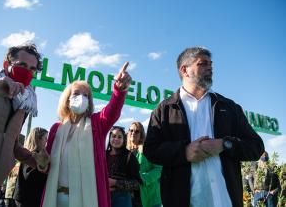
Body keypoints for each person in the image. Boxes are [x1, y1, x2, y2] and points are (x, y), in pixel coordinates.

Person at [143, 46, 265, 207]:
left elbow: (256, 147)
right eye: (203, 63)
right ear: (184, 70)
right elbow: (151, 150)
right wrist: (184, 152)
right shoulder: (164, 110)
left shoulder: (229, 107)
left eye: (211, 64)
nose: (210, 67)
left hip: (226, 202)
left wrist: (224, 144)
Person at [41, 62, 132, 207]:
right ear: (67, 99)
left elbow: (112, 112)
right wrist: (41, 161)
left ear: (89, 102)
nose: (81, 98)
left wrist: (118, 91)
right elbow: (47, 163)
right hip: (57, 198)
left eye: (86, 95)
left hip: (86, 199)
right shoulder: (56, 129)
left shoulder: (96, 124)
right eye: (76, 93)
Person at [0, 44, 48, 207]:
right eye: (22, 65)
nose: (27, 71)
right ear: (6, 65)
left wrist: (34, 160)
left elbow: (11, 145)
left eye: (32, 69)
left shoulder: (23, 106)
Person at [127, 121, 162, 207]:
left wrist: (143, 178)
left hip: (150, 197)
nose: (133, 133)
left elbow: (159, 169)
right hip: (131, 197)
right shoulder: (125, 152)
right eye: (131, 130)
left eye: (136, 131)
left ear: (141, 134)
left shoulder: (148, 149)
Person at [106, 126, 142, 207]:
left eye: (119, 137)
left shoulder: (129, 156)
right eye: (114, 136)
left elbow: (137, 184)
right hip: (104, 198)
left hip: (122, 200)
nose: (116, 139)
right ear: (109, 138)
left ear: (124, 139)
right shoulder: (104, 155)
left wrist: (115, 183)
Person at [13, 127, 49, 207]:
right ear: (38, 139)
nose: (47, 141)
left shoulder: (28, 154)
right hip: (27, 200)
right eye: (45, 138)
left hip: (25, 198)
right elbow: (31, 177)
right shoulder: (33, 155)